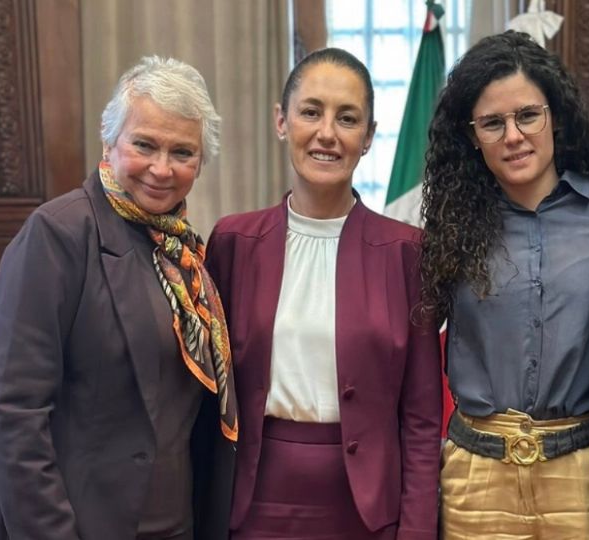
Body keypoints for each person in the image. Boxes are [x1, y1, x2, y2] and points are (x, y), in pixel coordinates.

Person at [0, 56, 236, 540]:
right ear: (109, 142)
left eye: (183, 152)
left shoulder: (185, 255)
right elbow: (15, 417)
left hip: (173, 523)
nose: (161, 168)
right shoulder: (57, 234)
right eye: (144, 145)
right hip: (72, 526)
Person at [205, 47, 442, 539]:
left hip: (367, 511)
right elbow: (208, 397)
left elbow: (421, 420)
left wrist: (417, 530)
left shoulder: (406, 253)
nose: (327, 133)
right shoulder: (233, 243)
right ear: (282, 121)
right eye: (310, 112)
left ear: (369, 136)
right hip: (252, 505)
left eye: (348, 118)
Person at [419, 31, 589, 539]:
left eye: (527, 115)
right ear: (471, 135)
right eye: (492, 123)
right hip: (476, 480)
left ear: (556, 115)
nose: (513, 136)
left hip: (584, 472)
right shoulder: (452, 220)